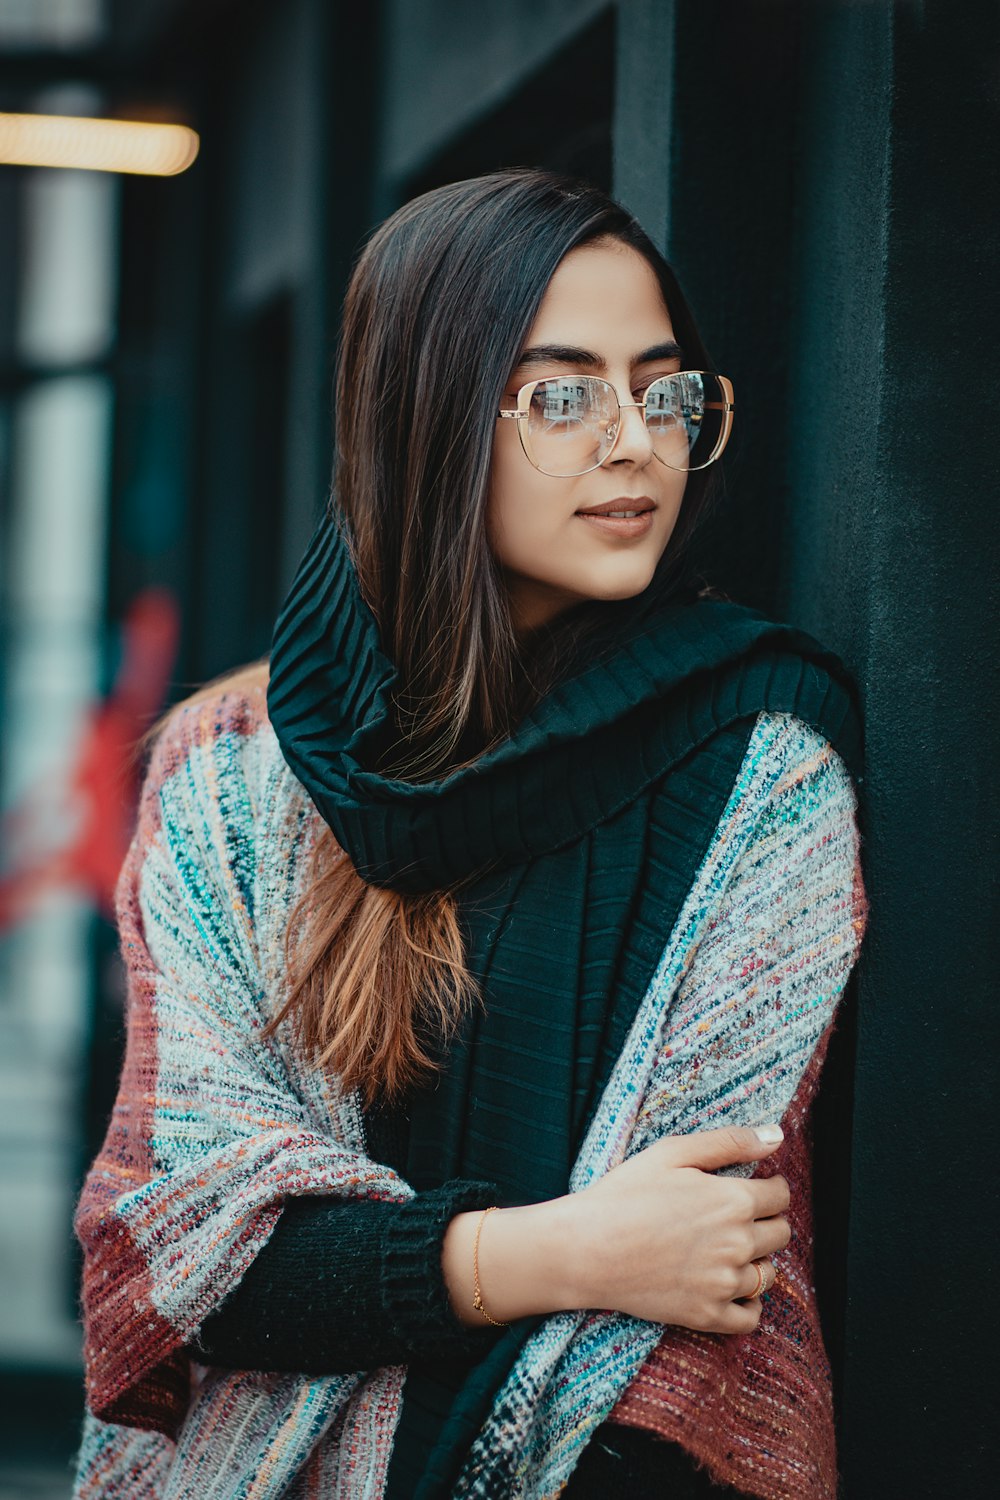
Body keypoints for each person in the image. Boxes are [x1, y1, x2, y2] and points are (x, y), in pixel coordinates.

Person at [71, 168, 868, 1499]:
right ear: (429, 424)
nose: (634, 442)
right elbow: (188, 1265)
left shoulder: (760, 765)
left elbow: (698, 1288)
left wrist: (402, 1276)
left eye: (663, 390)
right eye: (563, 395)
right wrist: (561, 1252)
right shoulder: (228, 775)